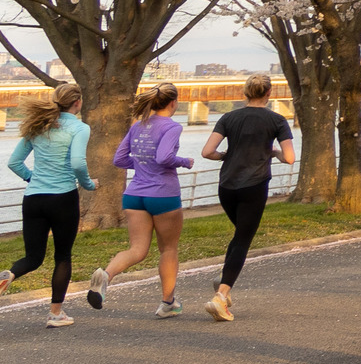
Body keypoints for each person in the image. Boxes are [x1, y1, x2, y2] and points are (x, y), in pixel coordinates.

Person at [0, 84, 95, 327]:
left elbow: (14, 163)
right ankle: (55, 314)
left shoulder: (38, 126)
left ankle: (10, 275)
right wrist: (88, 184)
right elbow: (77, 163)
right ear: (77, 102)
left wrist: (34, 178)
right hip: (63, 197)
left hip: (33, 198)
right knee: (62, 256)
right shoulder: (80, 128)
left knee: (34, 257)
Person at [88, 81, 193, 316]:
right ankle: (168, 304)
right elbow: (165, 157)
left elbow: (119, 159)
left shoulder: (138, 125)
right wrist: (184, 161)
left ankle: (106, 275)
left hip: (134, 195)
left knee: (137, 249)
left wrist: (141, 164)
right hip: (163, 194)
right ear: (174, 103)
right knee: (168, 249)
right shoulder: (172, 127)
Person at [198, 73, 295, 322]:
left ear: (245, 93)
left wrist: (226, 156)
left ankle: (224, 281)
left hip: (227, 186)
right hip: (254, 186)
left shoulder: (228, 117)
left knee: (240, 235)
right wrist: (273, 152)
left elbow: (207, 152)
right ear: (269, 93)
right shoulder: (277, 120)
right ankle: (221, 296)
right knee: (243, 239)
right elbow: (290, 157)